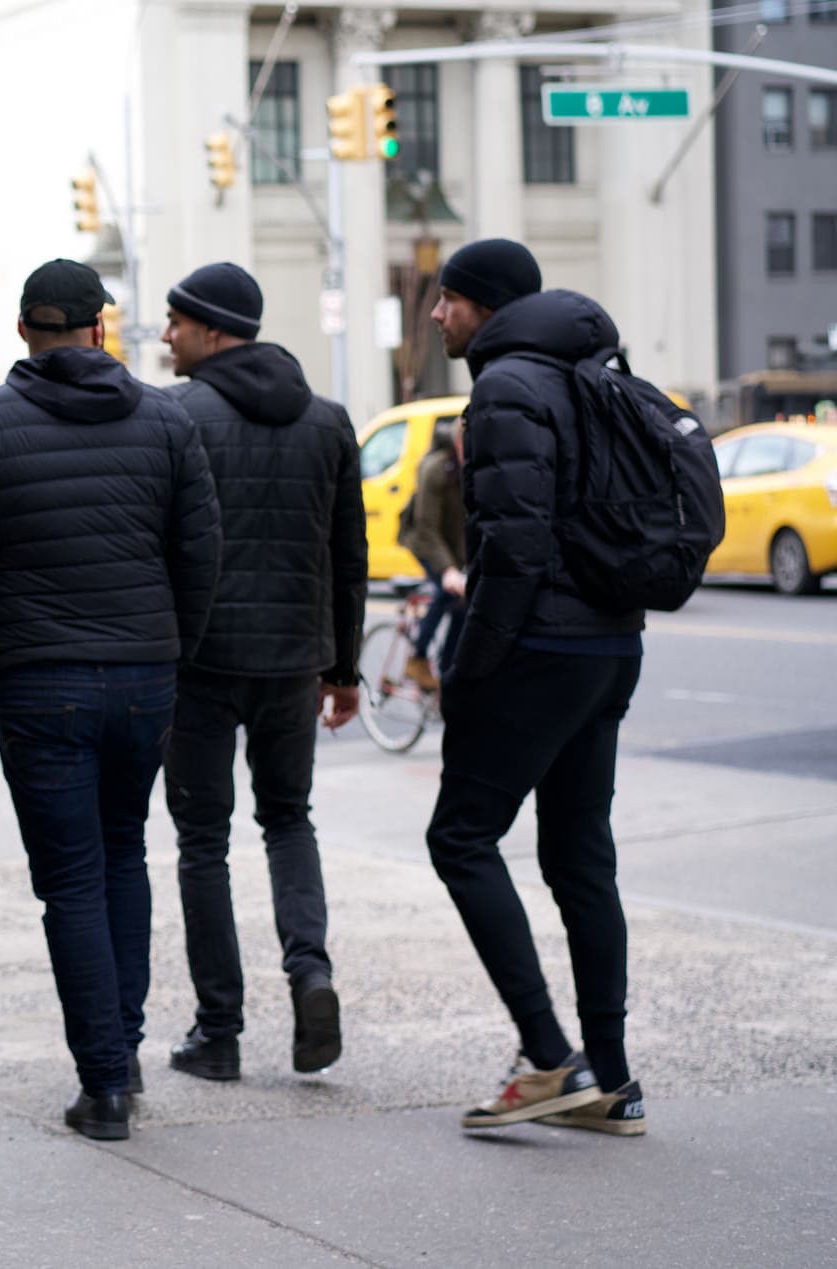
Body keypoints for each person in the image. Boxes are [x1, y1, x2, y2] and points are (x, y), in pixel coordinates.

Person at [0, 259, 221, 1142]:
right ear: (101, 328)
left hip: (36, 681)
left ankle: (104, 1085)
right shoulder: (166, 421)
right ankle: (120, 1052)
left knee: (71, 881)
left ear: (23, 330)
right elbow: (200, 555)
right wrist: (171, 653)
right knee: (124, 853)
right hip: (143, 679)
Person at [425, 237, 646, 1136]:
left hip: (542, 649)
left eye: (449, 299)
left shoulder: (510, 386)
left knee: (460, 838)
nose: (438, 314)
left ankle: (551, 1057)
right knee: (579, 855)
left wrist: (468, 668)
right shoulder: (595, 374)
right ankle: (614, 1083)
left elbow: (510, 551)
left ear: (486, 305)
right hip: (609, 646)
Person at [156, 263, 366, 1084]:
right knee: (289, 820)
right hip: (294, 662)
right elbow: (348, 556)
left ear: (211, 330)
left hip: (199, 665)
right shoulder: (329, 420)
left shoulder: (177, 416)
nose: (166, 334)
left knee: (203, 841)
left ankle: (220, 1030)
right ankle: (310, 973)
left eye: (175, 322)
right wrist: (344, 666)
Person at [400, 421, 467, 689]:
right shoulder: (435, 468)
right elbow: (426, 528)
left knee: (466, 601)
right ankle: (417, 658)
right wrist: (449, 569)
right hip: (424, 541)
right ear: (459, 444)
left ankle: (448, 670)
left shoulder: (474, 468)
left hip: (452, 547)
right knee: (447, 592)